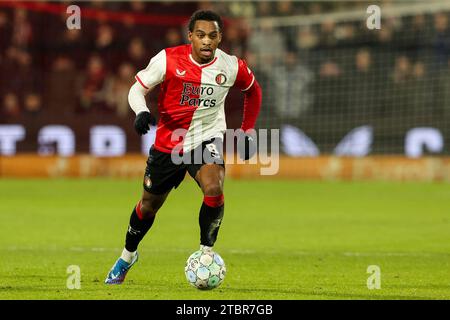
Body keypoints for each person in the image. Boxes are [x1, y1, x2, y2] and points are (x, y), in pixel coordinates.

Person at [105, 10, 262, 284]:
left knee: (214, 188)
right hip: (169, 144)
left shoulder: (231, 65)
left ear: (219, 38)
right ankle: (127, 256)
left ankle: (206, 253)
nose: (206, 41)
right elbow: (136, 90)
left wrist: (247, 130)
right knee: (148, 206)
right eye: (200, 35)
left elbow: (253, 90)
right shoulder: (167, 59)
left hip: (206, 138)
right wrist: (141, 111)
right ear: (190, 36)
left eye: (212, 36)